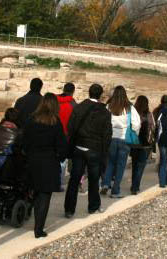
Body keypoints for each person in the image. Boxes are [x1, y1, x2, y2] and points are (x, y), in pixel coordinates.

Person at [23, 93, 68, 238]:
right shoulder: (55, 122)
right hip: (48, 162)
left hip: (32, 160)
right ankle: (38, 228)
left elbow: (24, 140)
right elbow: (61, 145)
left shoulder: (31, 120)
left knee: (34, 191)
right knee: (44, 196)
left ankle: (30, 215)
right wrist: (60, 157)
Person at [64, 84, 112, 218]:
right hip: (94, 149)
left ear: (89, 93)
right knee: (94, 179)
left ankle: (69, 209)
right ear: (100, 95)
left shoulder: (79, 107)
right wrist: (104, 152)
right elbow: (107, 134)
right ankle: (93, 206)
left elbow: (71, 127)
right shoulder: (104, 112)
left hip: (79, 147)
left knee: (74, 179)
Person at [101, 86, 141, 198]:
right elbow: (137, 124)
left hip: (111, 138)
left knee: (110, 163)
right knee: (120, 165)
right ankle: (115, 190)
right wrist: (134, 133)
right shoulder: (129, 108)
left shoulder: (109, 106)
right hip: (124, 139)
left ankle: (105, 184)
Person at [129, 95, 155, 194]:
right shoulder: (149, 114)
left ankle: (133, 185)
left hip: (134, 143)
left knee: (135, 165)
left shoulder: (133, 113)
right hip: (146, 144)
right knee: (141, 166)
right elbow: (153, 128)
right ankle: (135, 187)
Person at [57, 83, 77, 192]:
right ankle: (59, 183)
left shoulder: (54, 101)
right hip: (66, 135)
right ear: (73, 91)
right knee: (63, 160)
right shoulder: (73, 105)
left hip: (52, 132)